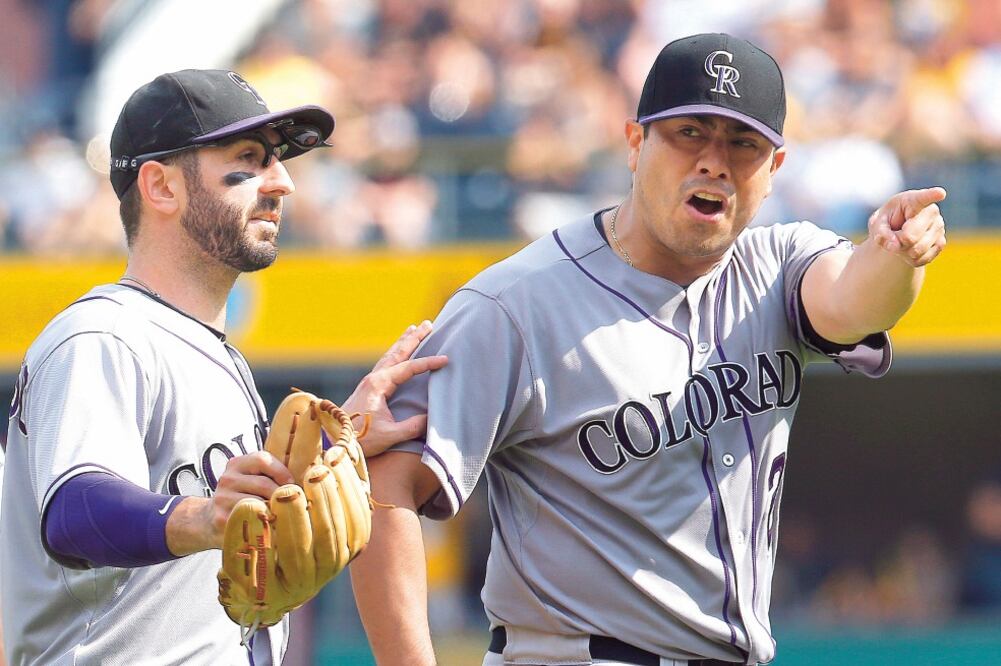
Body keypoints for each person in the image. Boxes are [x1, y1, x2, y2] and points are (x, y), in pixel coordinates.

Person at [349, 33, 947, 666]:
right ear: (636, 144)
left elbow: (858, 300)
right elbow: (385, 480)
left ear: (773, 171)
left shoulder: (777, 263)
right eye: (690, 133)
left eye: (741, 143)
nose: (714, 162)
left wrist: (896, 255)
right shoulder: (516, 305)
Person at [0, 69, 446, 665]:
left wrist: (346, 441)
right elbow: (74, 511)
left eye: (278, 161)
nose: (283, 183)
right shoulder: (104, 335)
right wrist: (204, 517)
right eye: (249, 159)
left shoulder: (207, 352)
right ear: (161, 187)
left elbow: (237, 511)